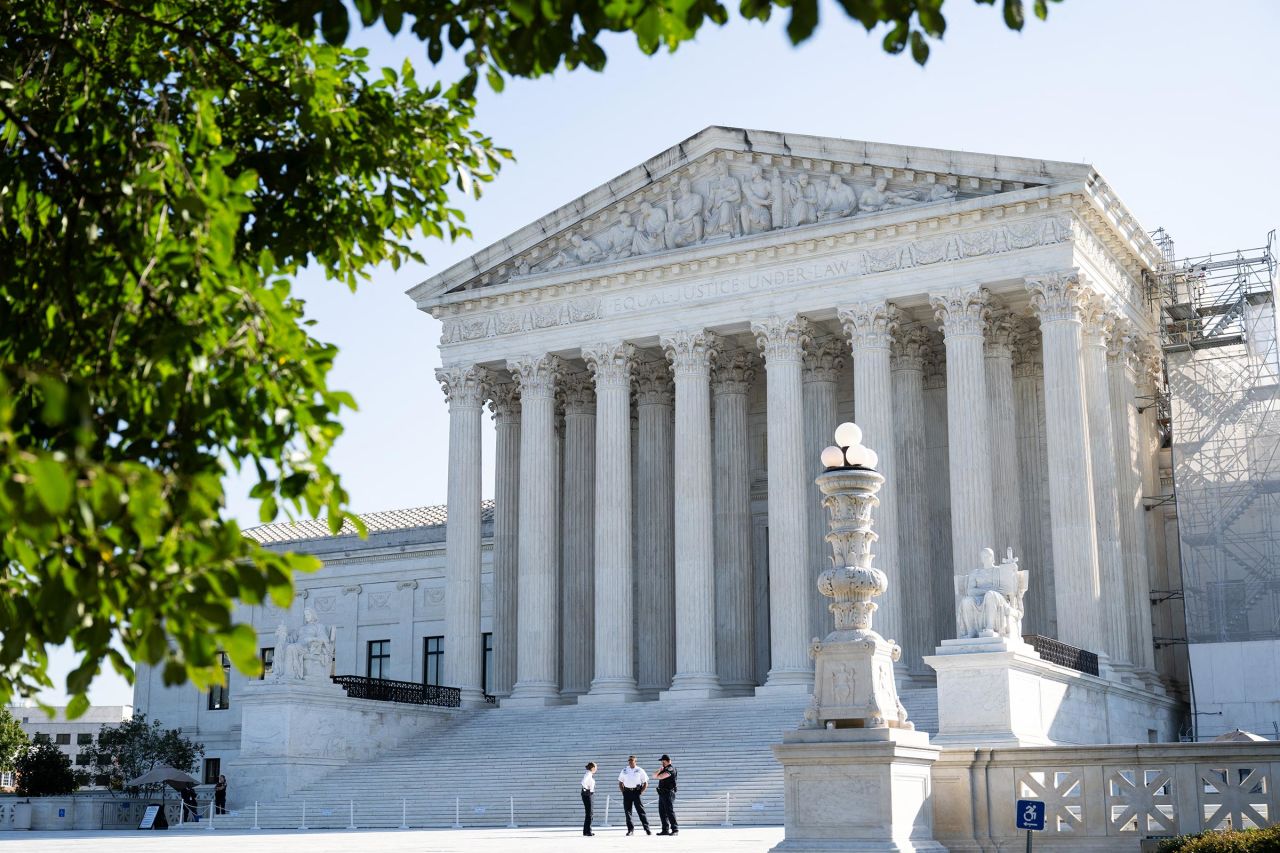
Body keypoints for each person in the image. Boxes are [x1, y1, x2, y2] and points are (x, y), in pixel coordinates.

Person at [617, 755, 651, 836]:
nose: (630, 762)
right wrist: (623, 792)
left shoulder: (639, 770)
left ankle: (647, 829)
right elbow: (620, 782)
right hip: (627, 792)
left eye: (632, 760)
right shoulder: (624, 770)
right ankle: (630, 830)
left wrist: (640, 792)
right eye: (629, 760)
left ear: (635, 761)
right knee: (628, 812)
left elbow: (645, 783)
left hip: (636, 792)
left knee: (641, 811)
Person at [654, 754, 678, 836]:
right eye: (661, 762)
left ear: (668, 761)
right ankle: (665, 830)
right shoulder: (663, 769)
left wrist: (659, 774)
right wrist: (659, 771)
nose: (662, 763)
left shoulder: (671, 769)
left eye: (663, 761)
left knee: (669, 812)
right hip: (662, 793)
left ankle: (675, 830)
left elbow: (661, 777)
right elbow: (654, 776)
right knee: (662, 812)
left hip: (668, 793)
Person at [580, 762, 597, 836]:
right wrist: (586, 789)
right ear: (593, 768)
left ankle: (586, 831)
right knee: (590, 813)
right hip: (588, 794)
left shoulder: (588, 774)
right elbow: (583, 782)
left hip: (588, 794)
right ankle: (588, 831)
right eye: (596, 767)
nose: (596, 769)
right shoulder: (588, 774)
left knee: (588, 813)